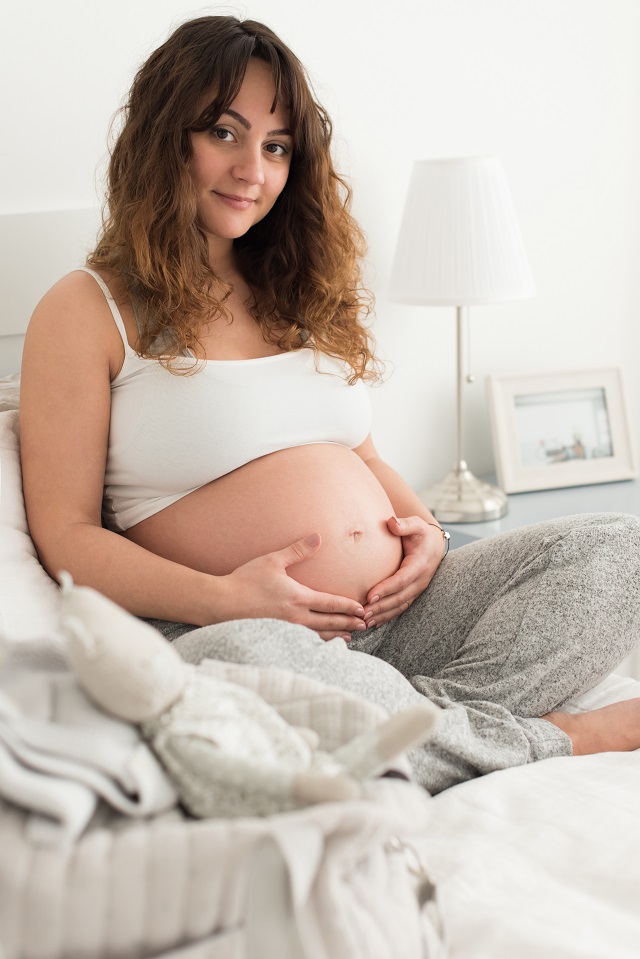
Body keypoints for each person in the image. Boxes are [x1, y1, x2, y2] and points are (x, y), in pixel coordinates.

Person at [19, 15, 640, 794]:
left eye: (277, 146)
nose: (254, 168)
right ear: (160, 137)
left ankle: (419, 729)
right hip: (234, 628)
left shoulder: (298, 289)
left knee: (622, 550)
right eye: (224, 131)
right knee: (247, 674)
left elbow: (363, 455)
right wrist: (224, 598)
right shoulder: (86, 308)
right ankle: (550, 741)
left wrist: (430, 539)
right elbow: (66, 537)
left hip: (403, 621)